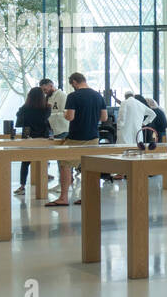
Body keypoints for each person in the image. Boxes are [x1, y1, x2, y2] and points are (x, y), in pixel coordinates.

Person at [46, 72, 104, 207]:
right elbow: (104, 118)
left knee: (65, 165)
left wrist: (65, 114)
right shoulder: (98, 96)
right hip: (94, 137)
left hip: (77, 137)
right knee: (88, 167)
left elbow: (70, 117)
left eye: (72, 84)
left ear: (74, 82)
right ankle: (88, 197)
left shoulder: (73, 96)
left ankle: (63, 197)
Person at [13, 87, 52, 195]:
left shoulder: (24, 108)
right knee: (43, 161)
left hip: (28, 137)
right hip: (43, 137)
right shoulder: (47, 108)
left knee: (25, 162)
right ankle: (43, 186)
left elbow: (19, 120)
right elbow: (46, 119)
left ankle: (22, 186)